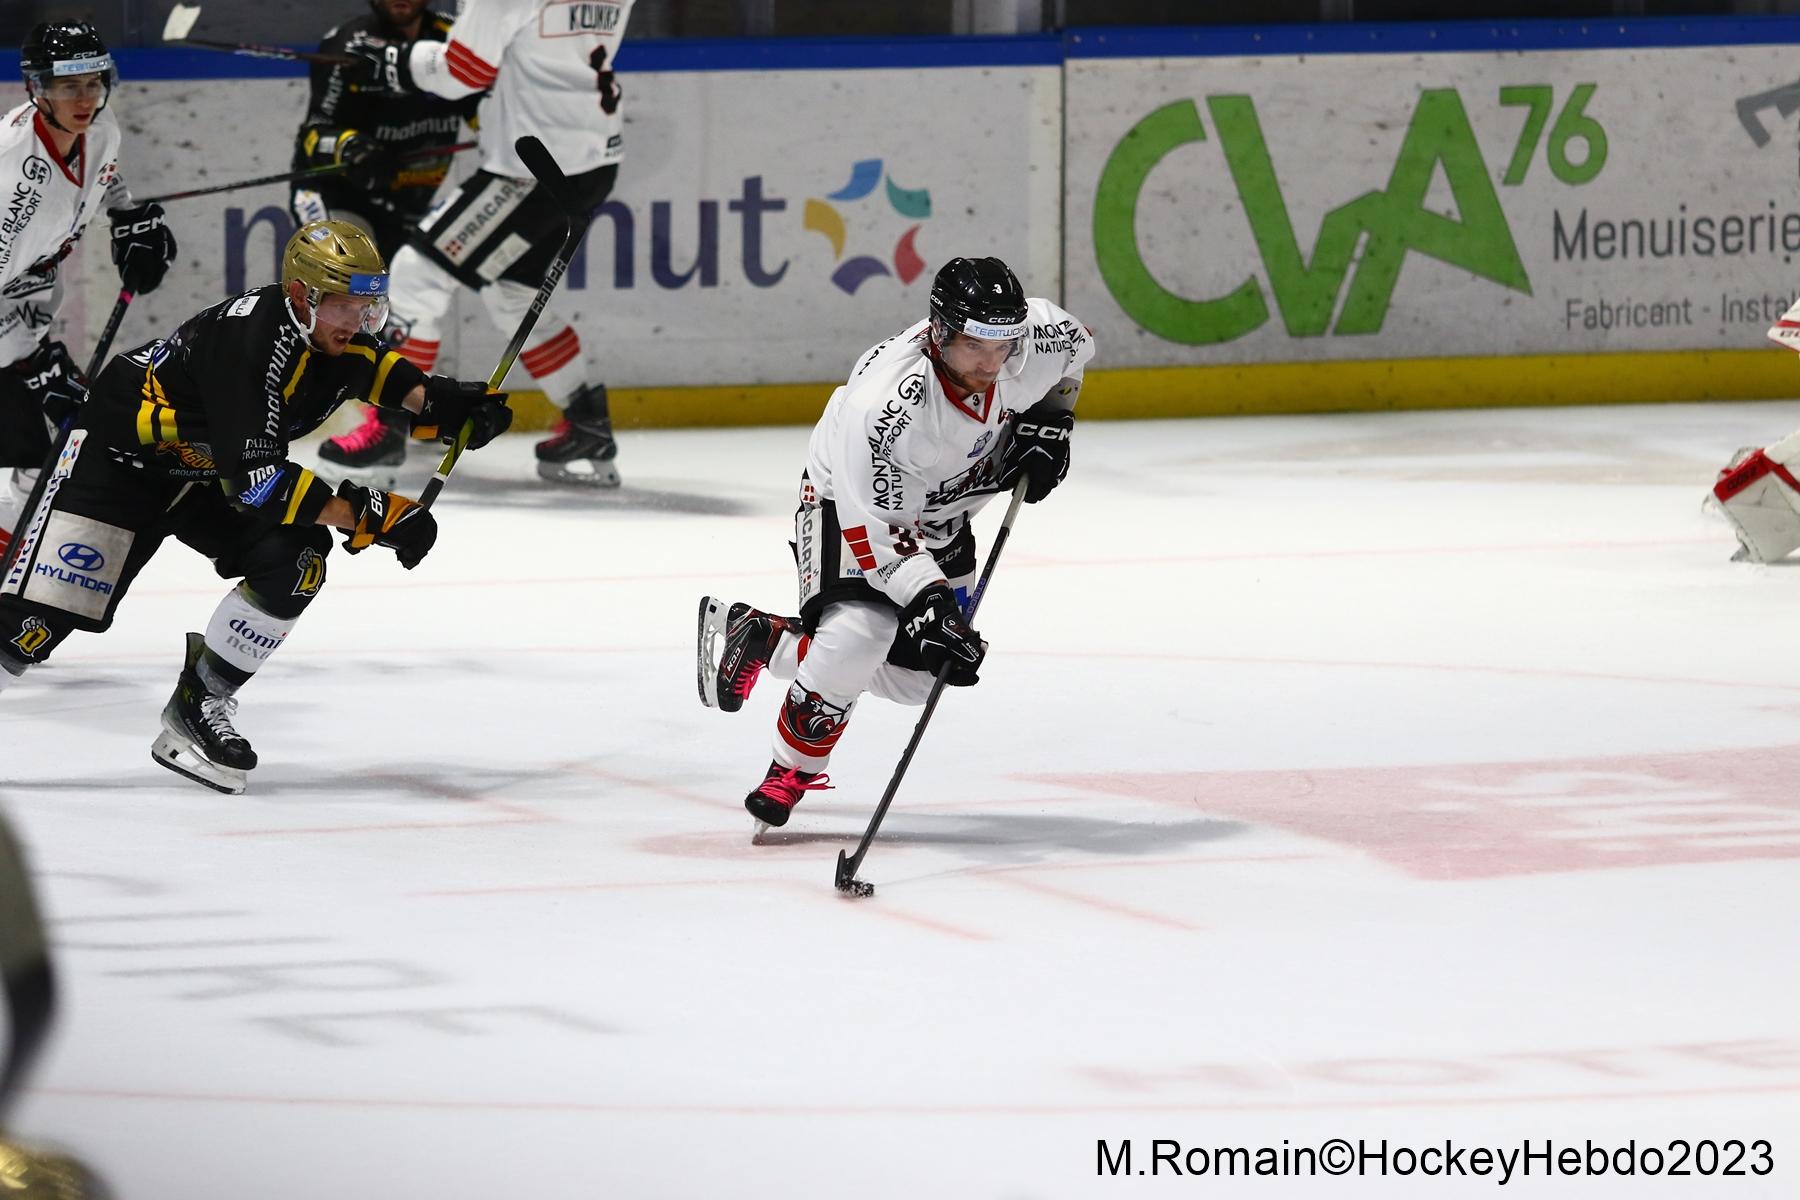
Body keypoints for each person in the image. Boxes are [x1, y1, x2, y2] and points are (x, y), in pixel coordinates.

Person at [0, 220, 510, 795]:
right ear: (300, 295)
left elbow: (374, 370)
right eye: (346, 306)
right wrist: (368, 512)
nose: (359, 322)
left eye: (368, 305)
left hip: (203, 475)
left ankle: (201, 702)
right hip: (117, 470)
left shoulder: (325, 333)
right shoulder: (247, 344)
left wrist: (447, 403)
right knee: (24, 634)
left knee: (296, 561)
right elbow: (260, 485)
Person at [694, 257, 1093, 828]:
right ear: (940, 330)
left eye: (1002, 345)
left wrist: (1052, 421)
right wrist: (928, 601)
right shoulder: (885, 409)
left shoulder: (1032, 340)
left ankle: (766, 640)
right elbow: (876, 535)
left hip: (944, 512)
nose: (990, 363)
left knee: (920, 679)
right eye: (976, 346)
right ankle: (791, 770)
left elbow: (1077, 347)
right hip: (848, 501)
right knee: (862, 632)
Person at [343, 0, 637, 487]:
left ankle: (389, 426)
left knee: (417, 276)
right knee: (510, 291)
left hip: (529, 167)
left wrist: (398, 60)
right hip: (593, 158)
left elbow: (463, 71)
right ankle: (588, 422)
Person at [0, 20, 177, 561]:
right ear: (38, 88)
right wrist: (31, 364)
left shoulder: (99, 129)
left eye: (93, 82)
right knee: (61, 434)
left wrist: (127, 217)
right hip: (9, 324)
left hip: (24, 312)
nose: (84, 98)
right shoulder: (14, 174)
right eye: (67, 85)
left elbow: (105, 178)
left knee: (61, 441)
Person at [293, 0, 481, 486]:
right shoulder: (348, 44)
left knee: (412, 301)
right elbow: (316, 134)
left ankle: (398, 415)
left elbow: (485, 107)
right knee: (352, 296)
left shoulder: (455, 41)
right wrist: (352, 146)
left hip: (409, 200)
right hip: (339, 192)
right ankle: (345, 417)